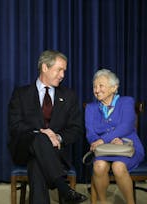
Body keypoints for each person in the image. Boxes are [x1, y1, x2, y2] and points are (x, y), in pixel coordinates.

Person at [8, 50, 88, 204]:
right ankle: (63, 188)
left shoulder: (69, 96)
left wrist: (57, 137)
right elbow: (15, 126)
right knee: (39, 139)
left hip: (56, 152)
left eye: (64, 70)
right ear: (45, 67)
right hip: (24, 150)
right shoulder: (21, 94)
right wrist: (42, 133)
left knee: (37, 164)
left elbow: (76, 128)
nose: (63, 75)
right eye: (59, 69)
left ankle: (63, 189)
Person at [85, 69, 145, 204]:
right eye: (94, 86)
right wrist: (100, 141)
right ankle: (103, 201)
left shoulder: (127, 102)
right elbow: (90, 132)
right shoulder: (91, 107)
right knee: (99, 166)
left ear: (114, 88)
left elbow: (127, 126)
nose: (97, 90)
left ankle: (131, 202)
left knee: (118, 166)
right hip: (102, 149)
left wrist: (108, 139)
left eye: (101, 86)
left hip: (127, 146)